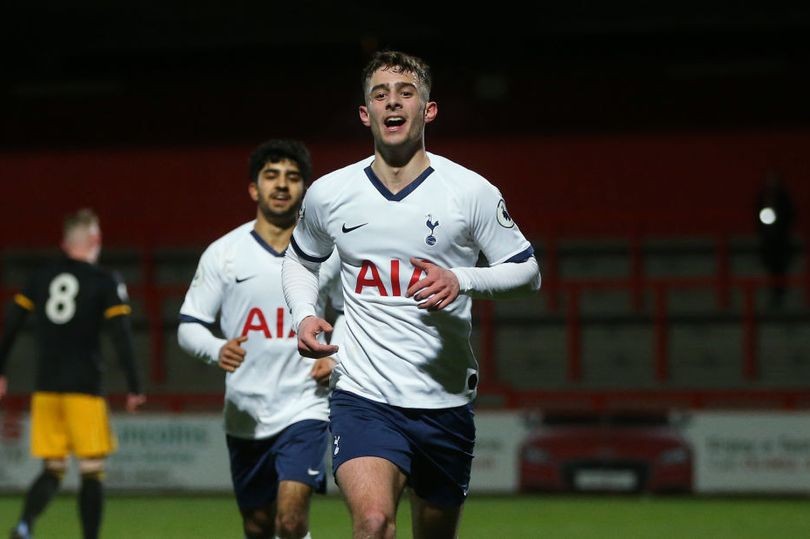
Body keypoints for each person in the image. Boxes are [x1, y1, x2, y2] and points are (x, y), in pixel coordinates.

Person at [281, 50, 541, 538]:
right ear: (366, 113)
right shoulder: (330, 193)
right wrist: (302, 313)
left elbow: (527, 272)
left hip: (443, 401)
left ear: (428, 109)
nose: (392, 103)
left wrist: (462, 279)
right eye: (380, 95)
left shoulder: (470, 192)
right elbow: (300, 258)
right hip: (363, 394)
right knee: (374, 523)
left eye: (406, 93)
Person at [177, 139, 342, 539]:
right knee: (258, 525)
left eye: (292, 177)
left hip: (305, 402)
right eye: (271, 176)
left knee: (290, 518)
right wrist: (217, 348)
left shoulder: (328, 253)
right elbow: (188, 325)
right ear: (254, 189)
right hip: (245, 411)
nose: (282, 185)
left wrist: (339, 356)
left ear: (305, 189)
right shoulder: (225, 254)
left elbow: (355, 312)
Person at [0, 208, 145, 539]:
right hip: (84, 387)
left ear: (65, 243)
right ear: (96, 240)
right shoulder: (105, 281)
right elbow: (121, 335)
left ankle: (24, 525)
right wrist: (135, 385)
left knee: (53, 468)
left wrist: (1, 370)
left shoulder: (40, 277)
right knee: (91, 470)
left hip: (46, 388)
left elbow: (12, 324)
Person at [755, 169, 797, 307]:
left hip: (781, 242)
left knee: (780, 269)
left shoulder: (783, 198)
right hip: (768, 242)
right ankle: (773, 295)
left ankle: (780, 296)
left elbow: (789, 215)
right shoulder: (763, 197)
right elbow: (757, 215)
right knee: (770, 268)